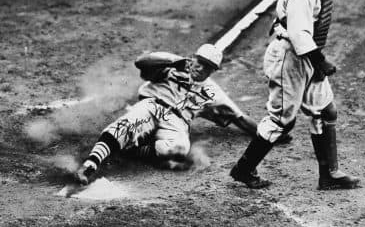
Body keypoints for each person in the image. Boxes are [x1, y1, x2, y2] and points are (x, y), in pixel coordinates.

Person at [230, 0, 360, 190]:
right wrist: (321, 61)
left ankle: (329, 175)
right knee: (281, 120)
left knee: (326, 110)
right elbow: (300, 35)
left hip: (305, 57)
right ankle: (244, 169)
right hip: (290, 57)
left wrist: (316, 62)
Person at [75, 44, 290, 185]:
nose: (201, 69)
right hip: (153, 105)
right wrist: (173, 62)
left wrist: (268, 134)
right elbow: (141, 62)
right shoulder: (171, 64)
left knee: (178, 149)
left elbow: (239, 118)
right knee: (127, 124)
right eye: (200, 62)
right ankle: (90, 165)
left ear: (213, 71)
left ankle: (133, 150)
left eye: (208, 67)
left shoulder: (212, 91)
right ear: (193, 58)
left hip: (177, 121)